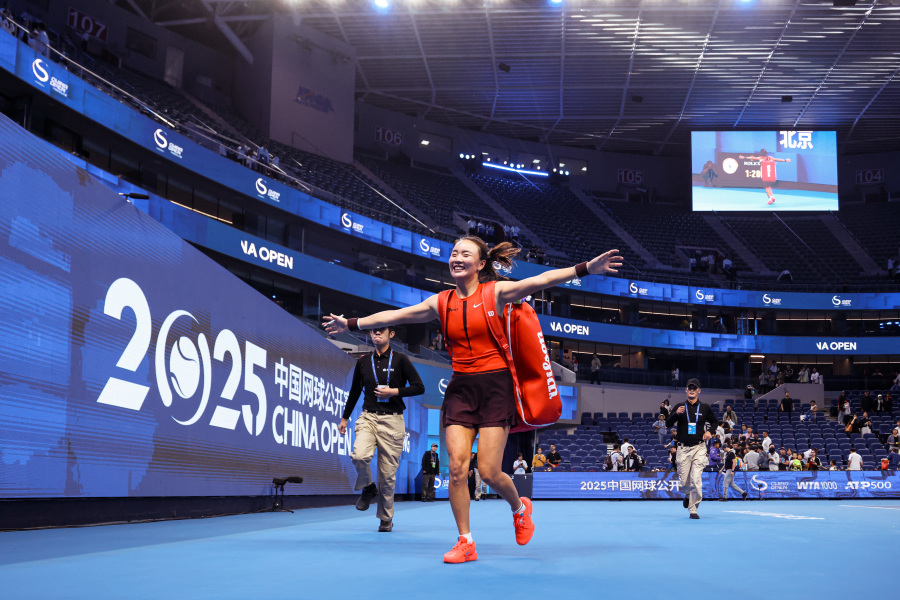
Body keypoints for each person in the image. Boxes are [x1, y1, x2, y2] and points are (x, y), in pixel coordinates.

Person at [324, 235, 623, 562]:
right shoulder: (441, 302)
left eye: (465, 253)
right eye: (454, 252)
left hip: (496, 388)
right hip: (460, 390)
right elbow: (395, 316)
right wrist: (350, 323)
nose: (457, 257)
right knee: (456, 469)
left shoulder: (495, 292)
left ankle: (519, 508)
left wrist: (586, 268)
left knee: (490, 471)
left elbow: (541, 280)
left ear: (480, 264)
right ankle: (465, 541)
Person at [339, 326, 425, 532]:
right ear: (370, 334)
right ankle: (369, 488)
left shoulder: (401, 360)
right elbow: (354, 391)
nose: (377, 333)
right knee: (359, 456)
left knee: (387, 476)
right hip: (368, 417)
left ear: (391, 334)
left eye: (381, 330)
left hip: (393, 421)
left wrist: (393, 392)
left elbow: (419, 387)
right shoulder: (363, 362)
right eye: (373, 331)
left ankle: (386, 519)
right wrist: (345, 418)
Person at [666, 378, 718, 519]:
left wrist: (710, 432)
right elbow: (668, 424)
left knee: (696, 479)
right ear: (686, 390)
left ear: (699, 391)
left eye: (694, 388)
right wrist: (676, 414)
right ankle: (688, 495)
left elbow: (715, 422)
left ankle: (693, 508)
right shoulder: (680, 406)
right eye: (689, 388)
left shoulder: (705, 407)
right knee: (684, 482)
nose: (692, 390)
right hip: (683, 449)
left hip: (699, 448)